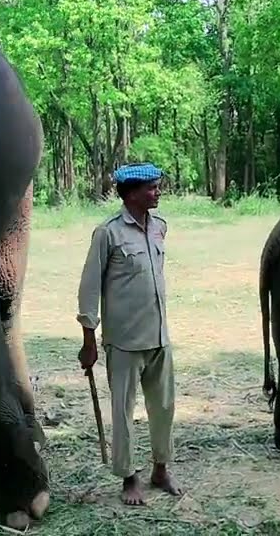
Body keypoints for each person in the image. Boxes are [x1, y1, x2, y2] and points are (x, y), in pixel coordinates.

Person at [76, 162, 183, 506]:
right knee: (123, 411)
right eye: (151, 188)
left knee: (164, 407)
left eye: (157, 186)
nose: (158, 192)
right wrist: (89, 341)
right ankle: (129, 477)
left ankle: (160, 469)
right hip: (123, 341)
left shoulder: (160, 228)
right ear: (132, 193)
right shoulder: (107, 233)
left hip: (159, 336)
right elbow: (88, 289)